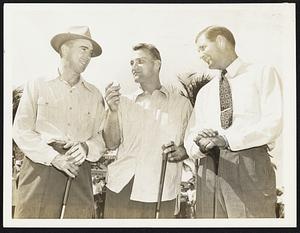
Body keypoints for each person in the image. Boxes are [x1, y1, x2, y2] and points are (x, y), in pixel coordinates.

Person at [184, 26, 283, 218]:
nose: (200, 55)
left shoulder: (262, 73)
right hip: (207, 172)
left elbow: (274, 123)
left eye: (203, 47)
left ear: (221, 41)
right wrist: (200, 144)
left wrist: (227, 139)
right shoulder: (205, 92)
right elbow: (190, 137)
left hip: (248, 166)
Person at [12, 26, 106, 218]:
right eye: (83, 49)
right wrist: (54, 157)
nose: (88, 56)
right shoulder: (37, 84)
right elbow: (21, 130)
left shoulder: (95, 94)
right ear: (64, 49)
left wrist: (86, 148)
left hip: (79, 172)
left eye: (90, 52)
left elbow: (100, 139)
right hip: (40, 169)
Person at [103, 43, 193, 218]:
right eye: (131, 63)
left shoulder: (182, 105)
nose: (134, 67)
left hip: (162, 191)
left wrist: (183, 150)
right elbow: (111, 143)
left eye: (140, 61)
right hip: (122, 187)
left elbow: (190, 145)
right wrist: (112, 112)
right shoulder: (123, 102)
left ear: (157, 65)